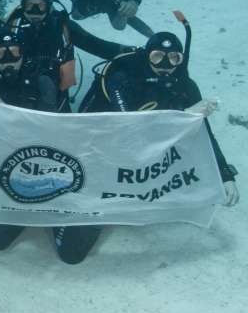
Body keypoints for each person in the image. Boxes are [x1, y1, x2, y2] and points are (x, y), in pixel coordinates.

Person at [0, 30, 101, 263]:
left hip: (54, 169)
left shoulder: (43, 81)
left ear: (24, 55)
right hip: (19, 175)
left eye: (14, 53)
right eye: (1, 55)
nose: (9, 60)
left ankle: (94, 222)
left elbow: (46, 127)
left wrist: (1, 108)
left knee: (71, 255)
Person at [80, 26, 239, 206]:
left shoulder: (186, 86)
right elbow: (127, 128)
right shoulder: (123, 78)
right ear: (146, 56)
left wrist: (225, 175)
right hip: (105, 136)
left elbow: (204, 133)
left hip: (150, 142)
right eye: (157, 56)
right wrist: (184, 117)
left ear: (181, 60)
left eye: (173, 58)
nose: (165, 65)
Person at [6, 0, 135, 110]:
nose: (35, 12)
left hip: (56, 89)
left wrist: (129, 52)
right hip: (18, 85)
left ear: (49, 7)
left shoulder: (61, 26)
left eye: (40, 6)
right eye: (30, 6)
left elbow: (95, 45)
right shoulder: (12, 26)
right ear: (23, 6)